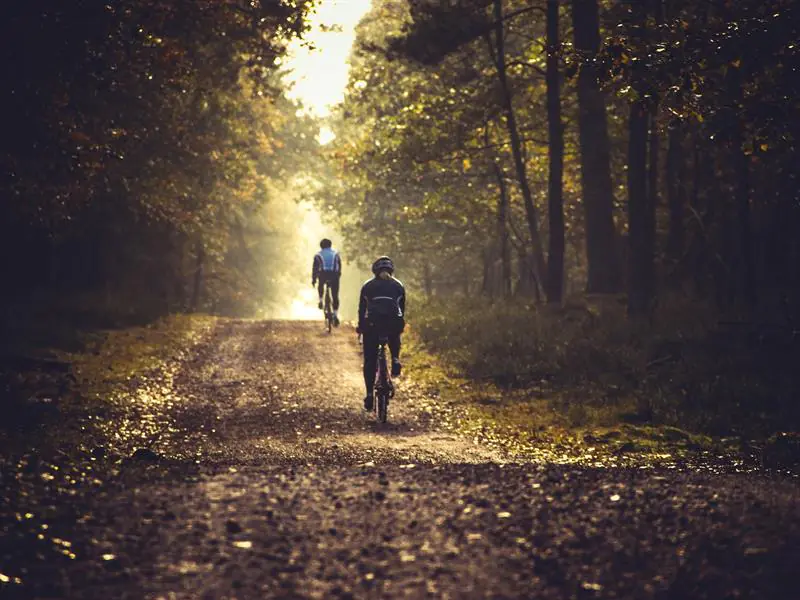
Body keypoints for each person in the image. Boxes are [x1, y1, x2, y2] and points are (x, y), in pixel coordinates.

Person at [356, 256, 405, 411]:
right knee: (394, 334)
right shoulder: (398, 286)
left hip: (372, 325)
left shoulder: (368, 286)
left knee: (370, 359)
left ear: (375, 271)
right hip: (392, 323)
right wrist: (399, 325)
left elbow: (362, 310)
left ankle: (370, 394)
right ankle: (396, 358)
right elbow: (401, 310)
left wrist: (360, 327)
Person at [312, 238, 342, 326]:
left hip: (323, 274)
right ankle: (335, 314)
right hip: (334, 275)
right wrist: (338, 275)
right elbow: (339, 265)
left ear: (321, 246)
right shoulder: (336, 254)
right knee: (335, 295)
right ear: (330, 245)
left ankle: (321, 300)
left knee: (320, 285)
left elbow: (315, 269)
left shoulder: (318, 255)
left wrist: (314, 280)